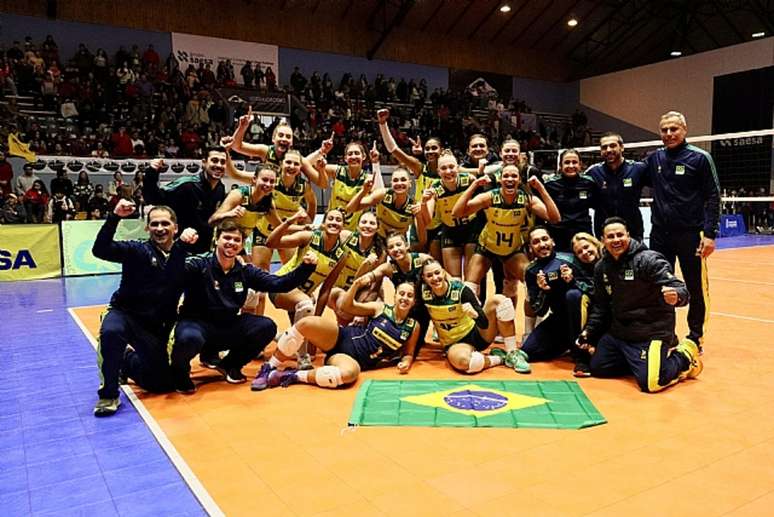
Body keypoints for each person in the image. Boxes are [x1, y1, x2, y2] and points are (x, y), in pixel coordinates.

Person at [170, 219, 317, 391]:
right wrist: (180, 245)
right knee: (188, 338)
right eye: (227, 238)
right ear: (217, 239)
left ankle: (230, 365)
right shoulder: (200, 264)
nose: (231, 243)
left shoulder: (245, 271)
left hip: (226, 326)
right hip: (196, 325)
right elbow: (173, 273)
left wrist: (306, 268)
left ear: (241, 245)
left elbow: (279, 284)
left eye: (236, 240)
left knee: (266, 326)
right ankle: (180, 374)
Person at [91, 199, 198, 416]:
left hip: (155, 327)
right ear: (147, 227)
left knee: (160, 384)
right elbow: (100, 250)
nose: (160, 229)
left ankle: (125, 361)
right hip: (124, 314)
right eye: (154, 224)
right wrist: (115, 217)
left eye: (165, 224)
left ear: (175, 227)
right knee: (111, 332)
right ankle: (109, 395)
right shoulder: (136, 250)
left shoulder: (183, 256)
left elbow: (185, 275)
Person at [579, 217, 703, 393]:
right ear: (602, 240)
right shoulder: (601, 268)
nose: (616, 240)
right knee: (599, 368)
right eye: (611, 236)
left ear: (628, 235)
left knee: (651, 383)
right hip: (620, 333)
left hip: (652, 332)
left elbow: (679, 287)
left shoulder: (648, 260)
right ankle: (644, 363)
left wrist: (677, 297)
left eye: (620, 235)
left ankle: (684, 356)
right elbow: (601, 306)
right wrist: (588, 331)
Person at [253, 277, 420, 390]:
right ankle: (269, 367)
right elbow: (348, 307)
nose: (405, 298)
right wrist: (356, 285)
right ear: (395, 295)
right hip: (341, 336)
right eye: (402, 294)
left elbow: (408, 354)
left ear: (414, 301)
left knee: (348, 375)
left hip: (352, 359)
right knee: (305, 323)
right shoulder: (380, 308)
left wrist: (406, 362)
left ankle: (291, 375)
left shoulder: (413, 326)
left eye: (410, 296)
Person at [645, 111, 720, 351]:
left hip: (690, 234)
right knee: (659, 285)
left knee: (695, 287)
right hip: (659, 234)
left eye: (673, 129)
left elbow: (713, 196)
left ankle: (695, 337)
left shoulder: (700, 158)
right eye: (664, 130)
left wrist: (710, 234)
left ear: (684, 130)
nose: (669, 134)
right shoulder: (654, 158)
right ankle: (665, 334)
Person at [419, 259, 529, 374]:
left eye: (437, 273)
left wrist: (475, 314)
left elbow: (484, 323)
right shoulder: (423, 294)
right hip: (455, 343)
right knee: (464, 363)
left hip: (477, 333)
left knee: (500, 301)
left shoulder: (461, 290)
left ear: (443, 272)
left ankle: (512, 353)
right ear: (424, 278)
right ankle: (500, 359)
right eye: (429, 275)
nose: (435, 278)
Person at [522, 227, 592, 377]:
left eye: (545, 239)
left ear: (552, 242)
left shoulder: (571, 259)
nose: (542, 244)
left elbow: (593, 289)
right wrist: (543, 290)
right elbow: (539, 310)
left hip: (585, 319)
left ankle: (580, 354)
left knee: (573, 295)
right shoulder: (531, 271)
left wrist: (573, 281)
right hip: (559, 320)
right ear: (531, 248)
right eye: (536, 242)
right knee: (528, 351)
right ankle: (566, 343)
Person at [143, 147, 228, 253]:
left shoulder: (220, 189)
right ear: (204, 163)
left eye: (223, 162)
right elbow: (153, 198)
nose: (219, 165)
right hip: (181, 252)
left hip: (205, 253)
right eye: (214, 160)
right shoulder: (186, 185)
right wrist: (152, 172)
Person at [585, 132, 647, 240]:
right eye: (604, 147)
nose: (608, 150)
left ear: (622, 147)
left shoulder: (638, 169)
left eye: (613, 145)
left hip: (633, 231)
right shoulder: (593, 172)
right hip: (604, 232)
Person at [543, 149, 598, 252]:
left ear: (580, 164)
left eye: (575, 162)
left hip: (583, 232)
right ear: (560, 165)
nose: (571, 166)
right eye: (567, 162)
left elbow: (597, 205)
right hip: (558, 233)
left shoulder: (589, 183)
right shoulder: (550, 185)